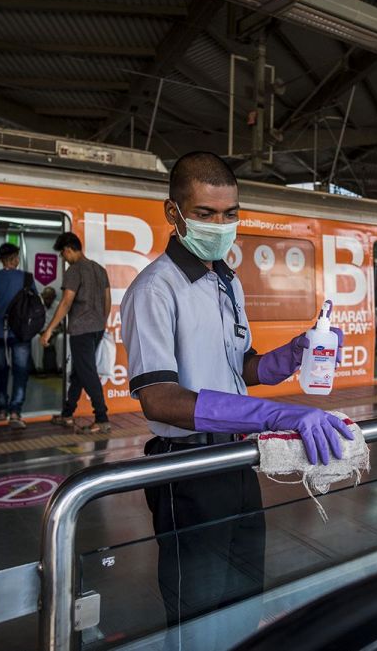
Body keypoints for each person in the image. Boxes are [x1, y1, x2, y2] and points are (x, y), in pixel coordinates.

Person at [121, 151, 352, 647]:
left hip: (238, 458)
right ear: (174, 213)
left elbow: (241, 367)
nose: (220, 225)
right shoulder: (155, 290)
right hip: (186, 468)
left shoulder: (225, 281)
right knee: (198, 611)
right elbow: (160, 399)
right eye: (205, 213)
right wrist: (276, 413)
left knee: (243, 593)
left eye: (229, 214)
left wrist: (293, 354)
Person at [41, 233, 110, 433]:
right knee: (79, 372)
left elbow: (65, 302)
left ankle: (102, 418)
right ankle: (67, 414)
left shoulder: (74, 270)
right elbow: (107, 298)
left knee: (86, 372)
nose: (64, 258)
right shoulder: (99, 269)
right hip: (97, 328)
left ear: (69, 249)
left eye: (63, 254)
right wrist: (101, 321)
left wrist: (49, 330)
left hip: (81, 330)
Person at [0, 243, 37, 428]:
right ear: (16, 258)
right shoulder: (26, 278)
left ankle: (1, 409)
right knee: (20, 371)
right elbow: (35, 304)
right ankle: (16, 411)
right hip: (21, 332)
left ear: (1, 259)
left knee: (1, 370)